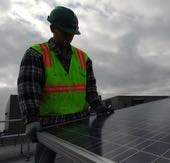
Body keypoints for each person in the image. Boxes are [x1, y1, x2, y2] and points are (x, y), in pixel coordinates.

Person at [17, 6, 113, 163]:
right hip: (49, 126)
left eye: (72, 33)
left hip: (79, 122)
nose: (69, 36)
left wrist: (98, 106)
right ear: (52, 28)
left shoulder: (83, 58)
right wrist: (31, 119)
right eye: (65, 32)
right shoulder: (36, 54)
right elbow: (28, 90)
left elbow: (90, 90)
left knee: (86, 159)